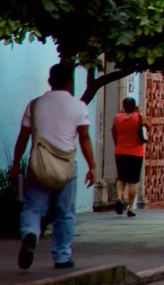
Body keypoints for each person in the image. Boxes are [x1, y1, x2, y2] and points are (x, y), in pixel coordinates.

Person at [11, 63, 98, 271]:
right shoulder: (79, 106)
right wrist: (92, 166)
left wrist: (16, 164)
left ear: (50, 82)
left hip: (39, 166)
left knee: (33, 208)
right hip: (66, 168)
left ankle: (31, 232)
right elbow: (84, 137)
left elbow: (23, 137)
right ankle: (62, 256)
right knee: (65, 213)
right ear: (70, 82)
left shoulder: (35, 105)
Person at [111, 97, 147, 217]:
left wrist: (118, 143)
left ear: (124, 106)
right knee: (133, 181)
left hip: (120, 151)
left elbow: (113, 131)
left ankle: (119, 198)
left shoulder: (118, 117)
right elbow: (149, 127)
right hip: (136, 152)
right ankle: (131, 208)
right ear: (134, 106)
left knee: (121, 178)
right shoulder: (139, 117)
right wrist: (139, 112)